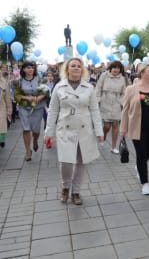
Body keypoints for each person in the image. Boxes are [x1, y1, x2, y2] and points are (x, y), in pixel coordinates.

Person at [44, 58, 104, 205]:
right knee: (66, 162)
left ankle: (76, 191)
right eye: (73, 66)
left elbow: (95, 110)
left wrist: (99, 131)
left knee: (81, 161)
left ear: (82, 70)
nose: (76, 68)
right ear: (67, 69)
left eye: (79, 66)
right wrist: (48, 132)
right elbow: (52, 111)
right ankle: (65, 187)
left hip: (84, 128)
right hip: (65, 129)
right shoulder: (59, 87)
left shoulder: (89, 87)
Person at [120, 64, 149, 195]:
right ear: (142, 73)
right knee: (141, 154)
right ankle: (145, 183)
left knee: (148, 153)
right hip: (136, 127)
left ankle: (140, 167)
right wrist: (122, 130)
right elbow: (125, 110)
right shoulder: (131, 89)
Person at [14, 61, 49, 161]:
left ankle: (35, 141)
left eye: (32, 68)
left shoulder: (39, 79)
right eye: (28, 68)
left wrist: (39, 98)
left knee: (36, 130)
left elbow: (46, 91)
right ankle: (28, 151)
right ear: (24, 69)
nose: (30, 70)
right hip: (24, 107)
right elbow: (16, 95)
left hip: (37, 108)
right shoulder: (18, 81)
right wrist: (27, 98)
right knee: (26, 129)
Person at [96, 61, 127, 154]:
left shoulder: (122, 78)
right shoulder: (104, 75)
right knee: (106, 126)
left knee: (115, 125)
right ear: (111, 68)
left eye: (118, 68)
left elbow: (124, 92)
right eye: (114, 67)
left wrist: (121, 102)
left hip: (117, 104)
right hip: (105, 102)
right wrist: (98, 99)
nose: (116, 70)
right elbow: (98, 87)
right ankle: (103, 137)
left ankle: (113, 147)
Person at [0, 73, 12, 147]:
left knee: (1, 127)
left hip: (1, 108)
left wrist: (9, 111)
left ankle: (1, 140)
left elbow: (7, 98)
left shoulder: (3, 82)